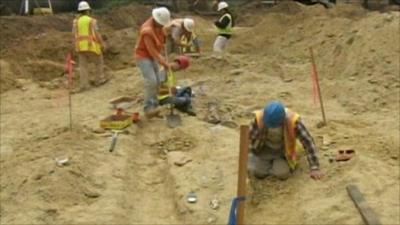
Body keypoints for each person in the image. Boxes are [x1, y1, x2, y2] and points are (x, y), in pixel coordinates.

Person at [248, 101, 324, 180]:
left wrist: (314, 167)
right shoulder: (260, 118)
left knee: (282, 174)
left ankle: (276, 164)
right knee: (259, 173)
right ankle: (267, 164)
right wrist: (250, 154)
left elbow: (308, 141)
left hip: (283, 152)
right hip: (265, 150)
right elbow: (249, 138)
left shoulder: (293, 121)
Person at [134, 7, 175, 119]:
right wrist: (165, 64)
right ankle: (148, 108)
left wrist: (165, 35)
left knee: (157, 81)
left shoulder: (159, 25)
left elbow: (160, 42)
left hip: (152, 55)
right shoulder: (147, 30)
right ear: (156, 20)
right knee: (151, 81)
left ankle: (154, 107)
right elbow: (152, 51)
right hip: (143, 56)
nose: (162, 26)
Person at [72, 1, 107, 93]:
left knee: (83, 66)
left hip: (80, 46)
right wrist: (102, 44)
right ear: (88, 11)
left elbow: (74, 34)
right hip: (90, 45)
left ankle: (84, 85)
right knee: (99, 61)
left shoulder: (76, 22)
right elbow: (97, 34)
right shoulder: (91, 21)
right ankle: (99, 80)